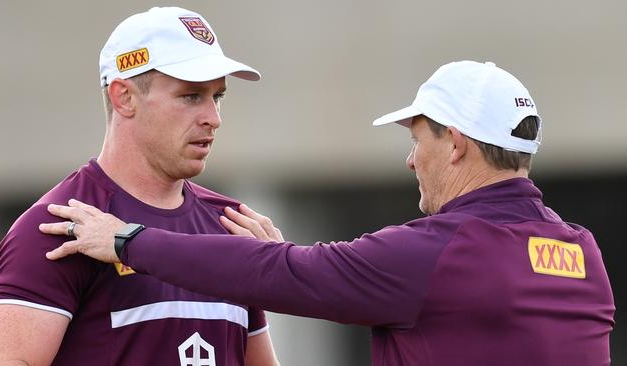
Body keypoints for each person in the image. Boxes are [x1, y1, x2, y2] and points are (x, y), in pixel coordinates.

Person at [39, 61, 615, 365]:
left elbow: (291, 275)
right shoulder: (582, 255)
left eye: (418, 138)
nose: (412, 159)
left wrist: (127, 241)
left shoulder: (438, 255)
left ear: (457, 142)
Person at [0, 7, 279, 366]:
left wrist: (275, 273)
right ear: (124, 97)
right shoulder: (61, 225)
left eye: (218, 97)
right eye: (191, 96)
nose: (213, 118)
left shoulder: (233, 225)